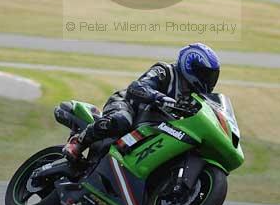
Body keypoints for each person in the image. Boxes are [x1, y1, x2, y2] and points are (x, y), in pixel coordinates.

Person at [55, 43, 220, 174]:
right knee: (122, 121)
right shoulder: (165, 71)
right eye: (205, 74)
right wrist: (159, 97)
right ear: (190, 66)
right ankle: (79, 141)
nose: (209, 80)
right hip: (127, 105)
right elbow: (137, 87)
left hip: (152, 127)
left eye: (212, 75)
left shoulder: (193, 97)